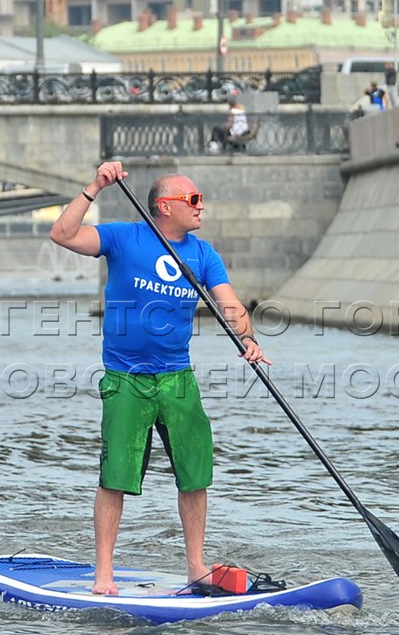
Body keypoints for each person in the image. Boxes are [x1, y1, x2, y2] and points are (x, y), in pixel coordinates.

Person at [48, 162, 268, 595]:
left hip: (177, 378)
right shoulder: (123, 237)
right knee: (116, 478)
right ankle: (104, 574)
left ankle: (194, 566)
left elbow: (232, 306)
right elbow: (62, 234)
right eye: (193, 200)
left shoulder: (203, 254)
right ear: (165, 207)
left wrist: (247, 336)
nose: (201, 207)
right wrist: (95, 186)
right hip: (127, 379)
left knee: (195, 473)